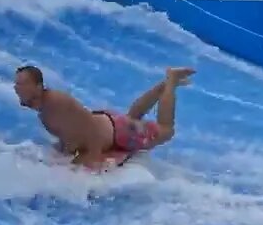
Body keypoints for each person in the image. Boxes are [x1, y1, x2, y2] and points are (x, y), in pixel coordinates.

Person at [14, 65, 195, 170]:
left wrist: (94, 157)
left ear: (38, 86)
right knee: (133, 117)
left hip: (118, 134)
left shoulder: (57, 102)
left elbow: (89, 127)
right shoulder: (44, 111)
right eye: (16, 83)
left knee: (165, 130)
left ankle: (171, 80)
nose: (16, 87)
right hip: (111, 125)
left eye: (22, 84)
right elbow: (70, 133)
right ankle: (164, 84)